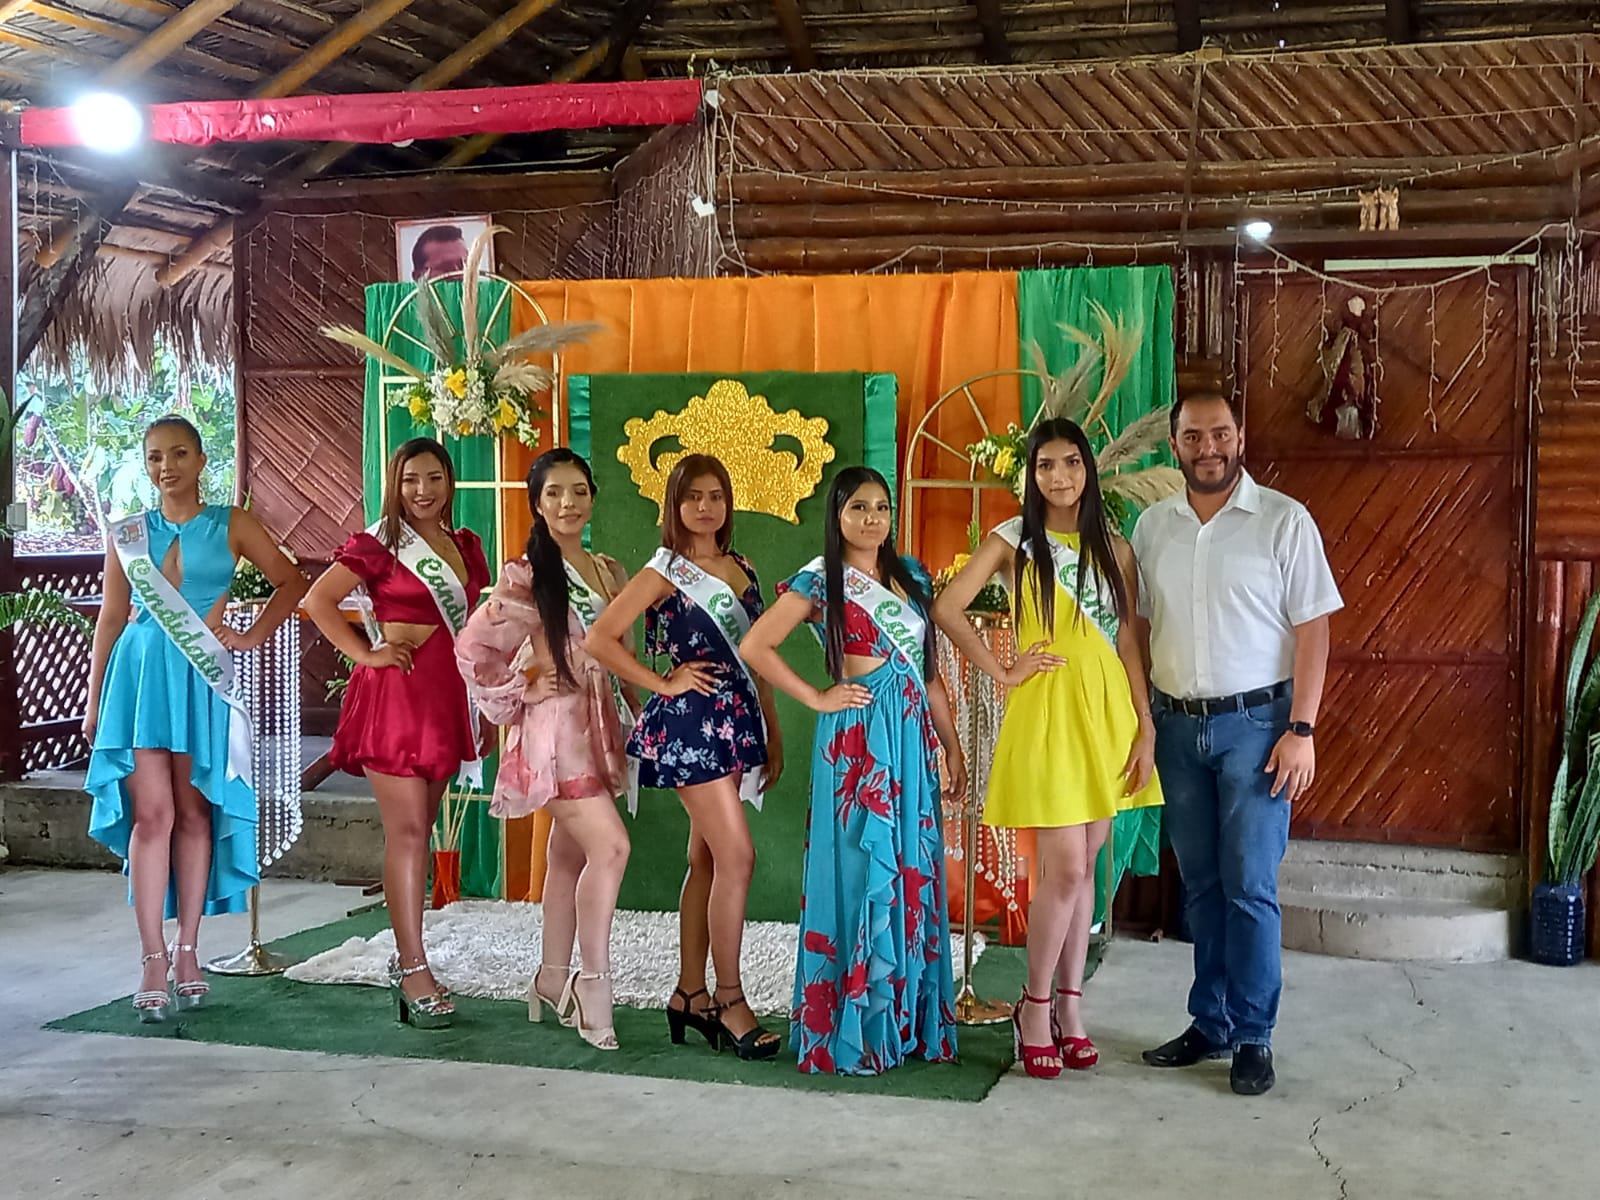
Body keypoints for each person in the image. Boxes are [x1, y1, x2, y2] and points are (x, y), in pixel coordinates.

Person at [933, 418, 1162, 1080]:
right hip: (1051, 709)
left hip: (1107, 712)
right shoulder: (1014, 540)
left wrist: (1145, 724)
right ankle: (1033, 1008)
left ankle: (1069, 1004)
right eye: (1045, 466)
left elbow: (1128, 639)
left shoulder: (1115, 548)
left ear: (1088, 469)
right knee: (1062, 868)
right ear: (1030, 475)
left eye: (1071, 463)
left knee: (1086, 865)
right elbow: (947, 608)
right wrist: (1003, 670)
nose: (1060, 477)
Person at [1133, 392, 1341, 1097]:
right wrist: (1143, 717)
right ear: (1175, 444)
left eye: (1220, 433)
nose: (1209, 447)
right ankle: (1212, 1022)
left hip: (1258, 729)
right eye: (1193, 436)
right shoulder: (1152, 527)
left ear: (1240, 437)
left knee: (1249, 883)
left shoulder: (1284, 520)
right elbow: (1139, 626)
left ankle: (1254, 1034)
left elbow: (1314, 629)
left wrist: (1301, 730)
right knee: (1202, 886)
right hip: (1176, 727)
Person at [740, 467, 965, 1075]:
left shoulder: (911, 577)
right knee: (859, 864)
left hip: (910, 735)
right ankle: (854, 1023)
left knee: (908, 863)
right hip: (857, 734)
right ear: (837, 515)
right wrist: (816, 697)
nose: (871, 519)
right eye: (858, 507)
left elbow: (930, 675)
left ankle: (903, 1022)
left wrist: (950, 745)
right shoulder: (821, 580)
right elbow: (756, 645)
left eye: (881, 507)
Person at [84, 415, 307, 1023]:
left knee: (193, 812)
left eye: (179, 454)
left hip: (202, 677)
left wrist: (251, 635)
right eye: (156, 456)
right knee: (151, 815)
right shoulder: (129, 533)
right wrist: (94, 698)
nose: (167, 467)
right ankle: (152, 958)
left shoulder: (232, 523)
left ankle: (188, 952)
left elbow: (291, 581)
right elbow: (111, 616)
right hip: (138, 682)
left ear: (202, 460)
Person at [584, 454, 785, 1061]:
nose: (705, 507)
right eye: (692, 496)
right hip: (690, 728)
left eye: (715, 495)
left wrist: (773, 729)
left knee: (706, 858)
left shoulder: (743, 568)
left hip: (738, 722)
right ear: (673, 505)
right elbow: (599, 639)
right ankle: (730, 1000)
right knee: (738, 857)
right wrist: (661, 683)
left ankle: (689, 994)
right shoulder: (664, 570)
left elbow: (758, 656)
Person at [302, 437, 491, 1031]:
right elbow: (318, 600)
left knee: (420, 830)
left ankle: (408, 959)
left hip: (445, 698)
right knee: (407, 833)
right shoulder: (378, 543)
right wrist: (366, 653)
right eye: (410, 480)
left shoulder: (465, 545)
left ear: (449, 482)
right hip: (396, 697)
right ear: (394, 484)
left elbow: (475, 624)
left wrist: (489, 699)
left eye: (433, 478)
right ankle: (413, 969)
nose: (422, 491)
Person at [455, 449, 635, 1051]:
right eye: (554, 493)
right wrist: (524, 683)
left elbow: (622, 652)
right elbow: (473, 648)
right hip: (554, 735)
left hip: (598, 725)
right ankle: (593, 984)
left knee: (568, 855)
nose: (568, 503)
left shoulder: (606, 570)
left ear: (593, 497)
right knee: (610, 847)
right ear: (537, 503)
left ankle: (551, 977)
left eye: (579, 490)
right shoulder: (526, 575)